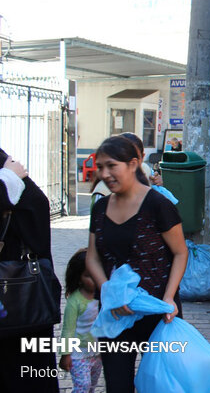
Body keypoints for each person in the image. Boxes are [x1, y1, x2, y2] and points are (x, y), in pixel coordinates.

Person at [85, 136, 188, 392]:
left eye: (112, 166)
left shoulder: (158, 204)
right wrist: (109, 291)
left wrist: (169, 298)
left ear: (133, 164)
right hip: (115, 312)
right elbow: (92, 256)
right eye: (101, 167)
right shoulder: (100, 209)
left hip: (157, 312)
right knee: (117, 384)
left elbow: (180, 253)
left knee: (161, 384)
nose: (105, 174)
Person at [0, 149, 60, 392]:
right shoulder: (10, 173)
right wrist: (8, 180)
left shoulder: (10, 174)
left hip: (22, 303)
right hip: (28, 302)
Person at [59, 249, 102, 393]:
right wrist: (65, 354)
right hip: (79, 354)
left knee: (91, 385)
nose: (95, 279)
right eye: (88, 276)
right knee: (82, 386)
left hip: (97, 353)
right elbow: (68, 329)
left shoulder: (104, 297)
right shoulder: (74, 301)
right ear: (79, 278)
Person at [90, 133, 163, 209]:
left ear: (142, 157)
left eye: (135, 157)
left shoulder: (145, 169)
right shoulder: (102, 194)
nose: (132, 163)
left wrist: (158, 182)